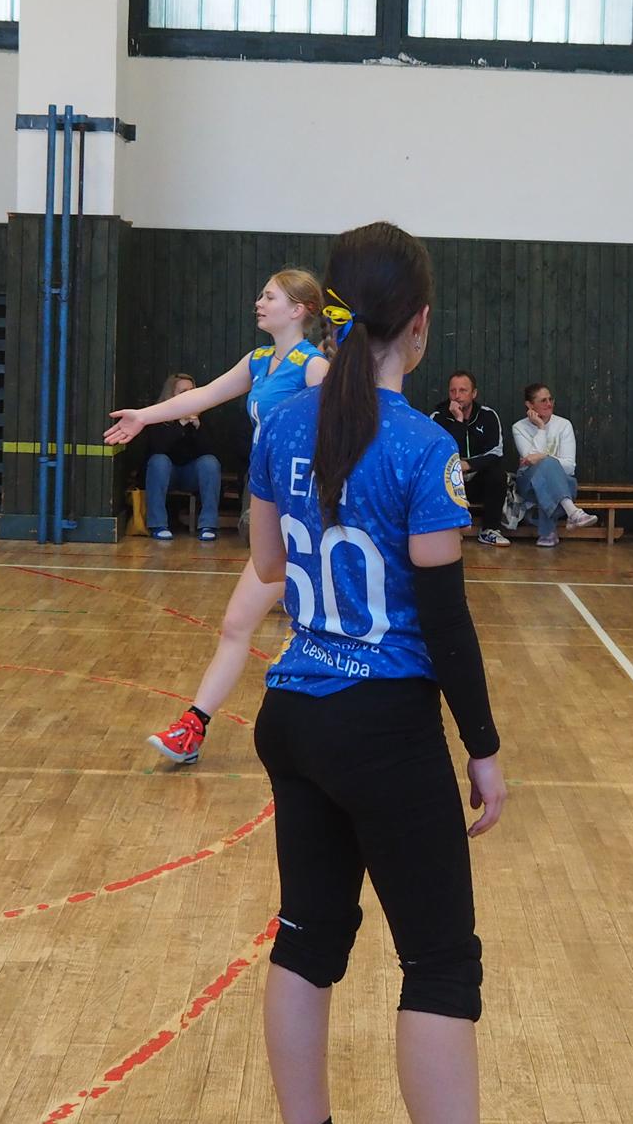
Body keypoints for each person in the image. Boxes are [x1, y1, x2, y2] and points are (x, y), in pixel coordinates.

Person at [246, 220, 504, 1124]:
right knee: (438, 964)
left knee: (307, 941)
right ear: (420, 321)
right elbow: (444, 618)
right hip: (384, 728)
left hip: (293, 711)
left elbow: (268, 563)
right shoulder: (424, 448)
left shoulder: (281, 423)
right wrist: (481, 746)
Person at [103, 269, 329, 765]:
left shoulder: (314, 368)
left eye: (269, 296)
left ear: (298, 310)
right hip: (274, 511)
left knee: (314, 631)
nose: (259, 302)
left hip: (308, 516)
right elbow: (202, 395)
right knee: (236, 624)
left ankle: (335, 738)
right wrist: (144, 415)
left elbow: (347, 429)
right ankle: (193, 727)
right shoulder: (260, 361)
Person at [140, 371, 224, 541]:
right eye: (183, 391)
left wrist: (199, 427)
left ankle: (208, 525)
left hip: (190, 475)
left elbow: (213, 451)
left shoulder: (202, 415)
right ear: (171, 394)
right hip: (166, 474)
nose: (189, 395)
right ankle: (158, 524)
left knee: (210, 462)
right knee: (159, 461)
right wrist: (180, 424)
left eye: (192, 391)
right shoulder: (157, 415)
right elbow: (158, 448)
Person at [510, 384, 598, 548]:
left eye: (551, 399)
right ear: (529, 405)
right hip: (528, 484)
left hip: (561, 482)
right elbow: (530, 462)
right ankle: (572, 512)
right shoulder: (519, 427)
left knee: (550, 472)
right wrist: (541, 428)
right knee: (548, 467)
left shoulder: (564, 425)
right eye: (543, 400)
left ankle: (548, 532)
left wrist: (543, 457)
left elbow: (569, 467)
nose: (549, 404)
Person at [429, 370, 510, 548]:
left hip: (477, 480)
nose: (457, 396)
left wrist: (468, 464)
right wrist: (458, 421)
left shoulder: (488, 416)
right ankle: (450, 527)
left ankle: (490, 530)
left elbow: (496, 452)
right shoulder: (437, 417)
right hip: (450, 480)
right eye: (453, 391)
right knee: (433, 474)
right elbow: (440, 453)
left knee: (497, 473)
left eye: (463, 390)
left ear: (474, 393)